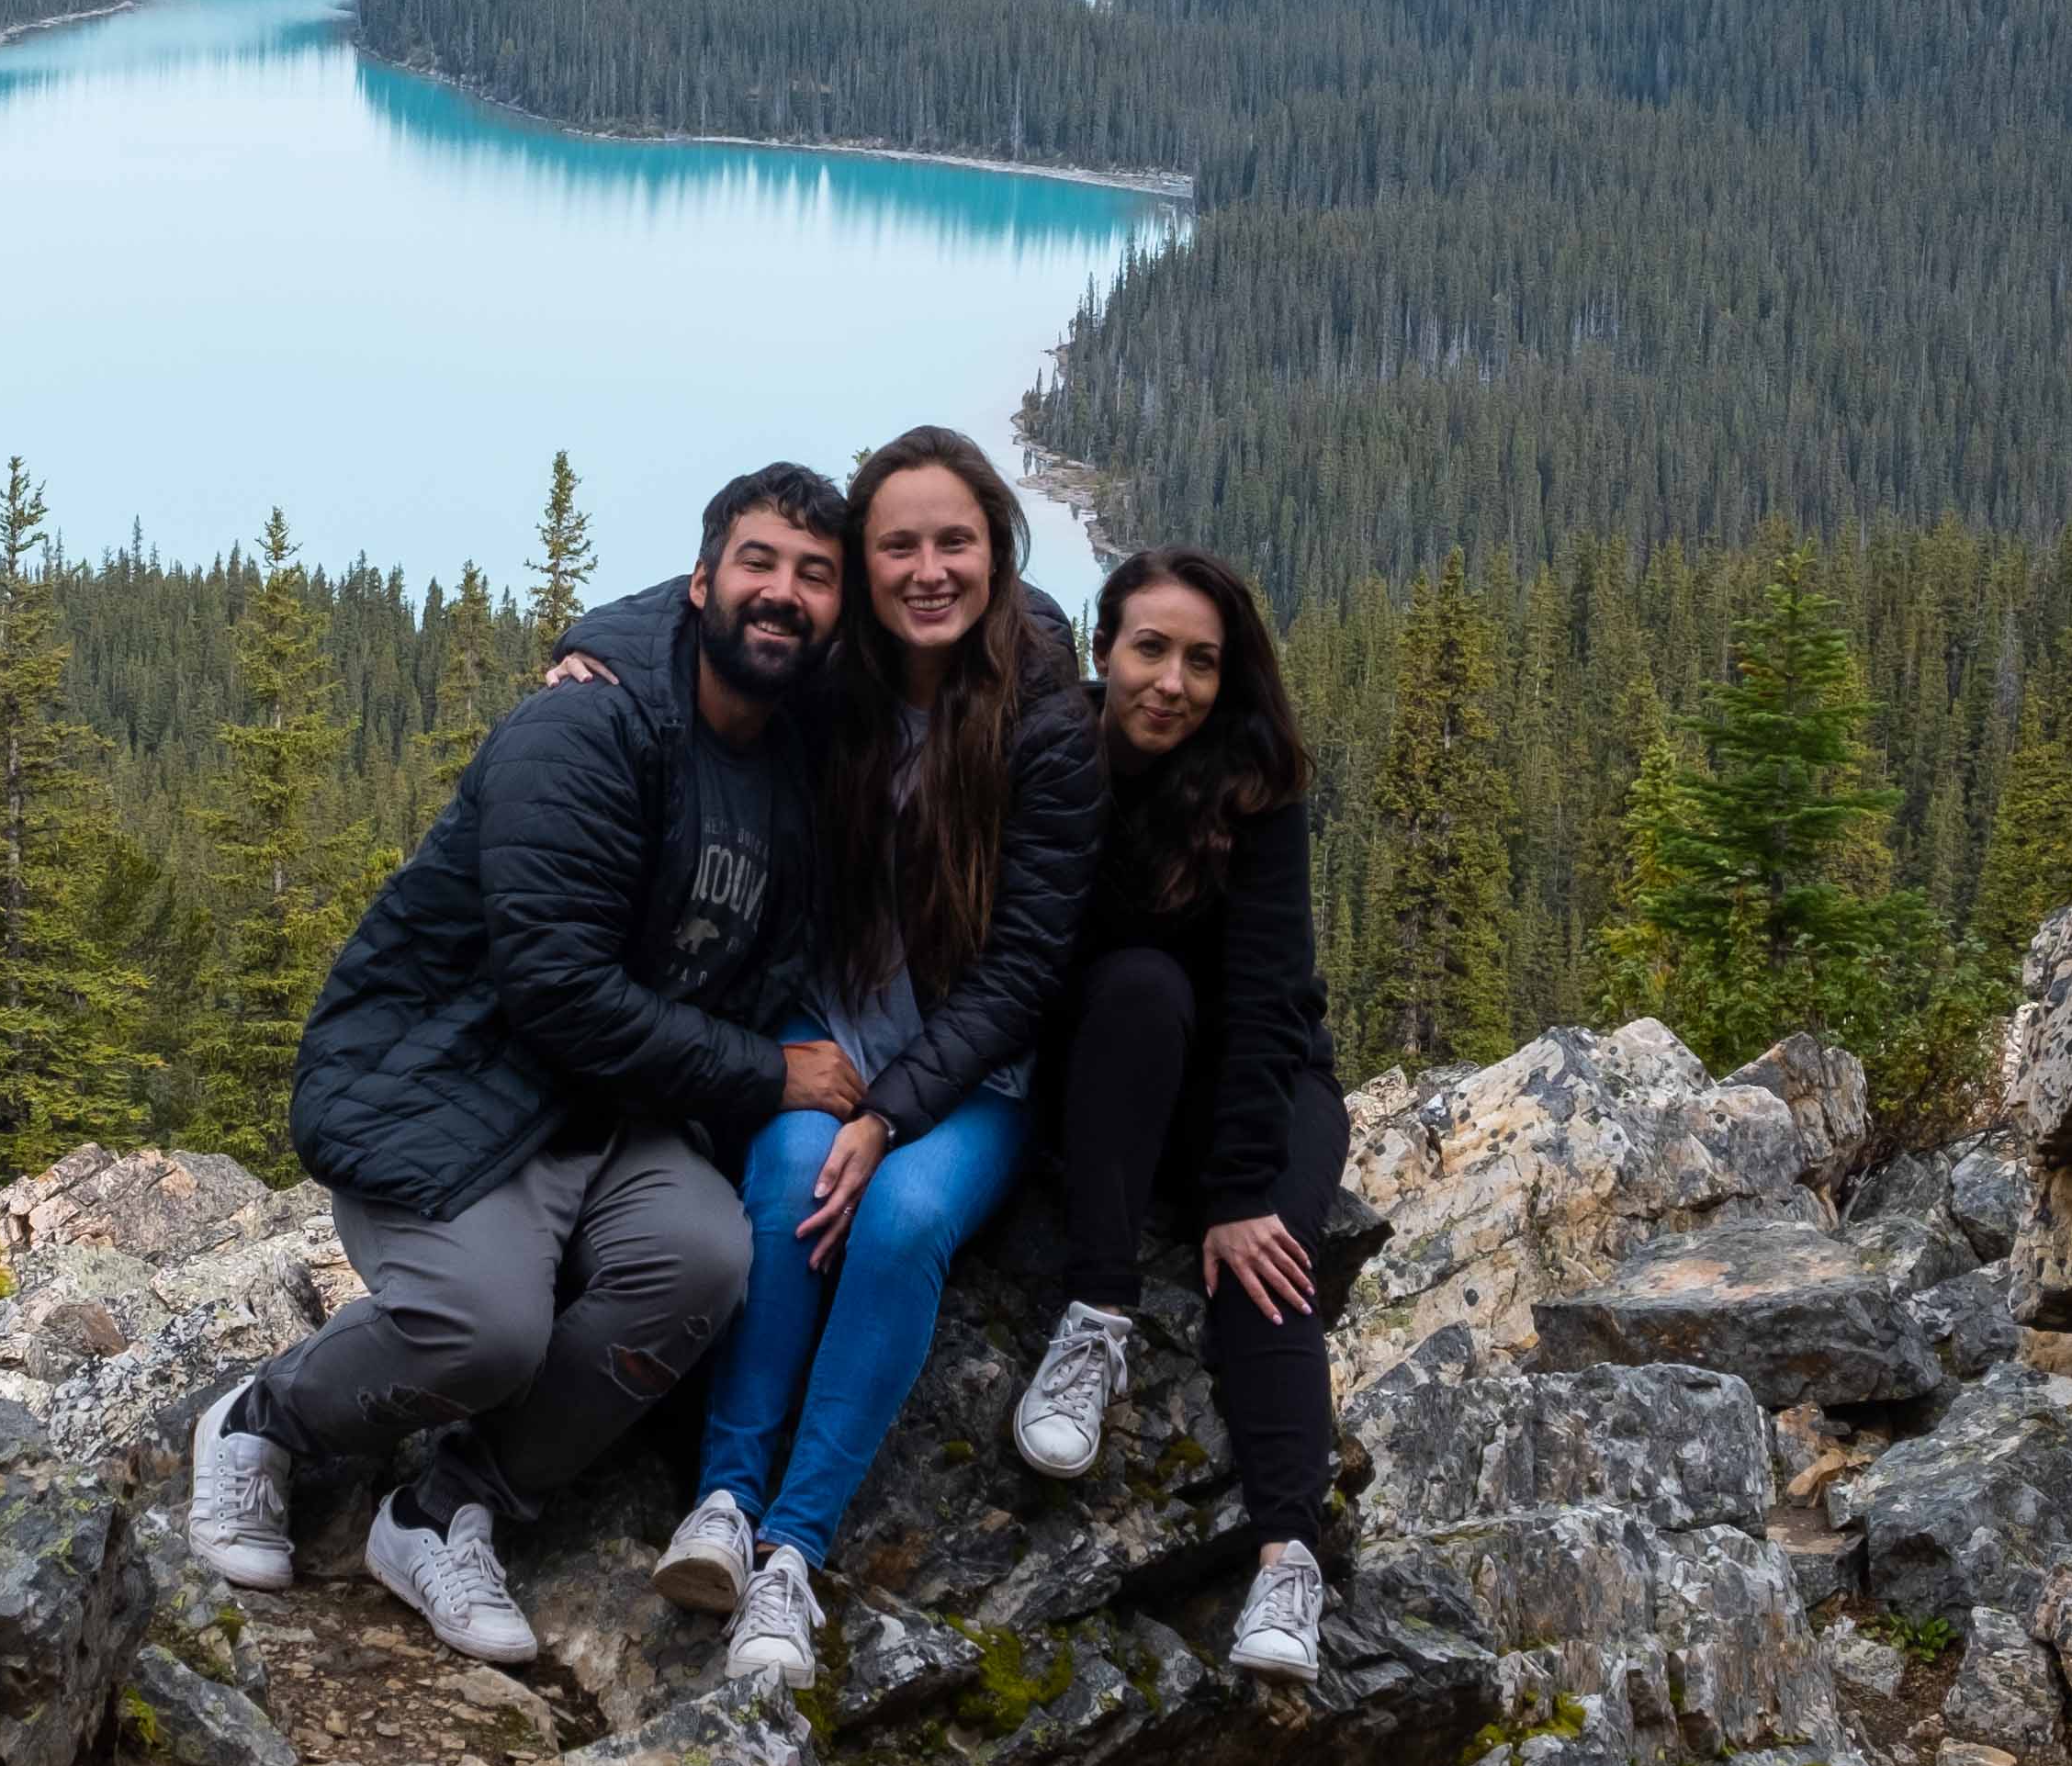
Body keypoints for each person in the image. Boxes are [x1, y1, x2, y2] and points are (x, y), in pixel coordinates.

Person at [186, 463, 860, 1665]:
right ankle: (264, 1418)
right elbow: (557, 990)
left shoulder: (797, 753)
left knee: (708, 1264)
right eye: (757, 565)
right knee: (486, 1333)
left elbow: (985, 640)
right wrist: (773, 1076)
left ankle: (445, 1508)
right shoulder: (588, 726)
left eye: (817, 577)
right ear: (698, 584)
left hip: (618, 1118)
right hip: (458, 1089)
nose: (784, 596)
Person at [576, 428, 1100, 1694]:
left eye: (954, 543)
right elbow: (716, 599)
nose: (928, 571)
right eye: (898, 547)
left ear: (998, 550)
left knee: (900, 1216)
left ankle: (793, 1555)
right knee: (788, 1182)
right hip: (833, 1034)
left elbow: (1028, 968)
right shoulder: (837, 676)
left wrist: (898, 1114)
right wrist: (586, 646)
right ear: (863, 567)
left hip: (973, 1068)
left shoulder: (1045, 710)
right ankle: (722, 1500)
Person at [1008, 545, 1356, 1687]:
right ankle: (1097, 1315)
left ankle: (1290, 1558)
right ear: (1104, 650)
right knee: (1141, 987)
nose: (1173, 681)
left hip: (1258, 1082)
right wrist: (601, 652)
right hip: (1116, 1070)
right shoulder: (1059, 755)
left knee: (1266, 1266)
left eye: (1203, 660)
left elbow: (1269, 995)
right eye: (1150, 649)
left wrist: (1242, 1188)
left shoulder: (1253, 780)